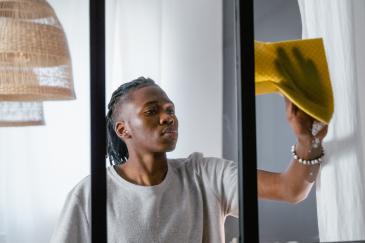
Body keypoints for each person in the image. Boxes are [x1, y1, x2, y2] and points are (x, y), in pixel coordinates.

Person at [50, 77, 328, 243]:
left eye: (170, 110)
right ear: (123, 130)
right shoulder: (90, 195)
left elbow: (291, 189)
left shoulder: (204, 174)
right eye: (152, 111)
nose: (167, 117)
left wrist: (309, 141)